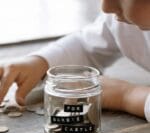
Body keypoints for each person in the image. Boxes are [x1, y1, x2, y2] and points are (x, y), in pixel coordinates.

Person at [0, 0, 150, 121]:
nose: (105, 7)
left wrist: (126, 95)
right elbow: (87, 45)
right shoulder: (120, 21)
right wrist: (40, 62)